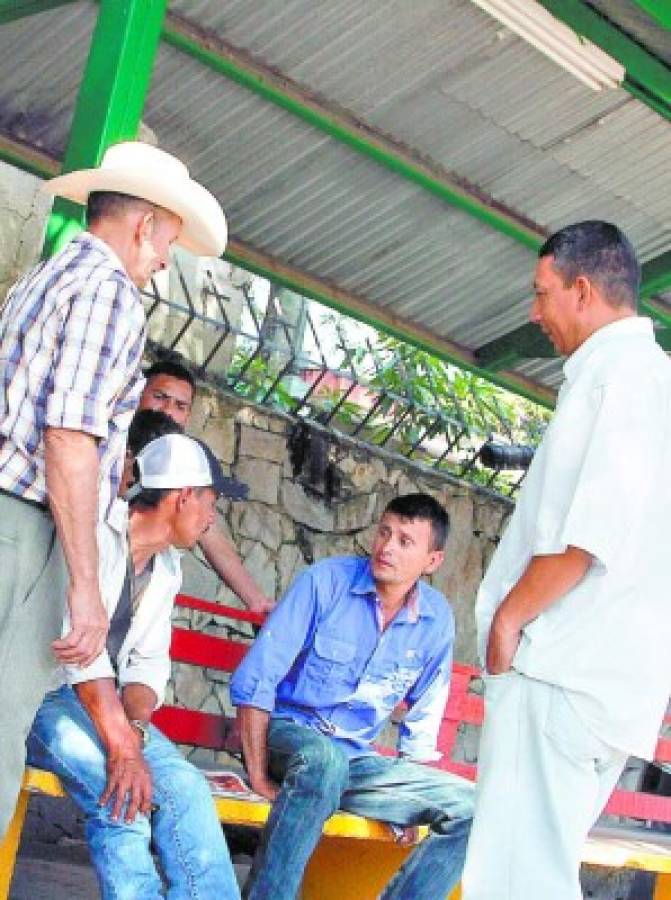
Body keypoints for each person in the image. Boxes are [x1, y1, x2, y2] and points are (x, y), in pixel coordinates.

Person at [0, 139, 227, 836]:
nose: (164, 260)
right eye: (168, 243)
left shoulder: (46, 276)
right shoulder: (111, 294)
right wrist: (85, 585)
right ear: (145, 224)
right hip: (24, 534)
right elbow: (69, 435)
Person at [461, 221, 671, 900]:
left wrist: (507, 623)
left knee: (514, 884)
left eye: (540, 292)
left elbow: (590, 534)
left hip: (557, 670)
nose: (532, 312)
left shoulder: (619, 376)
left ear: (581, 290)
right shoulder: (650, 381)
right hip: (596, 680)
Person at [27, 433, 242, 900]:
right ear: (184, 496)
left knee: (186, 788)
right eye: (210, 501)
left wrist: (137, 732)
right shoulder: (98, 535)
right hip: (39, 695)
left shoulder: (167, 568)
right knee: (120, 798)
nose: (211, 516)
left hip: (105, 707)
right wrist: (123, 748)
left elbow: (146, 667)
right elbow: (77, 653)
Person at [231, 493, 475, 900]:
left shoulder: (435, 620)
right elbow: (257, 678)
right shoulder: (325, 582)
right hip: (290, 737)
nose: (387, 547)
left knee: (472, 809)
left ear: (432, 561)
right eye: (384, 532)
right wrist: (256, 772)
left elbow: (424, 715)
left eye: (404, 541)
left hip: (356, 761)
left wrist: (406, 804)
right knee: (323, 763)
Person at [139, 353, 275, 614]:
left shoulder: (189, 461)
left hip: (147, 586)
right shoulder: (111, 439)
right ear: (139, 394)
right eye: (159, 397)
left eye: (180, 406)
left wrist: (256, 600)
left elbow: (210, 533)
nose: (168, 411)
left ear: (188, 415)